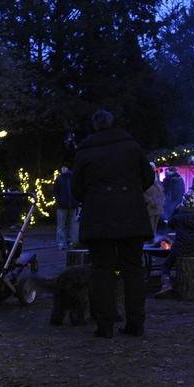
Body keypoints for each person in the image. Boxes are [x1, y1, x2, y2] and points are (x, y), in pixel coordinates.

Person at [70, 110, 154, 338]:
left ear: (95, 126)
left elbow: (76, 189)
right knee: (133, 270)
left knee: (102, 271)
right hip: (131, 215)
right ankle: (136, 323)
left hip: (99, 217)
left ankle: (104, 325)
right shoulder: (131, 146)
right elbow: (148, 178)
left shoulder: (85, 151)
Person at [155, 192, 194, 298]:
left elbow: (169, 224)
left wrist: (176, 210)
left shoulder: (178, 217)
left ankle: (166, 285)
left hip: (179, 249)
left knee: (166, 266)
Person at [54, 166, 78, 249]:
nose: (63, 169)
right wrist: (59, 200)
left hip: (72, 205)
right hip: (62, 205)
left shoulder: (73, 179)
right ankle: (61, 244)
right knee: (62, 225)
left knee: (72, 225)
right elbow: (55, 192)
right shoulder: (59, 179)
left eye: (65, 167)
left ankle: (72, 242)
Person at [145, 166, 166, 234]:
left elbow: (161, 193)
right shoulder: (145, 180)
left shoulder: (157, 181)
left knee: (154, 225)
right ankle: (150, 237)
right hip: (150, 207)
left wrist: (162, 201)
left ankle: (152, 237)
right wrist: (151, 201)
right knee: (150, 225)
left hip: (157, 206)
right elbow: (143, 193)